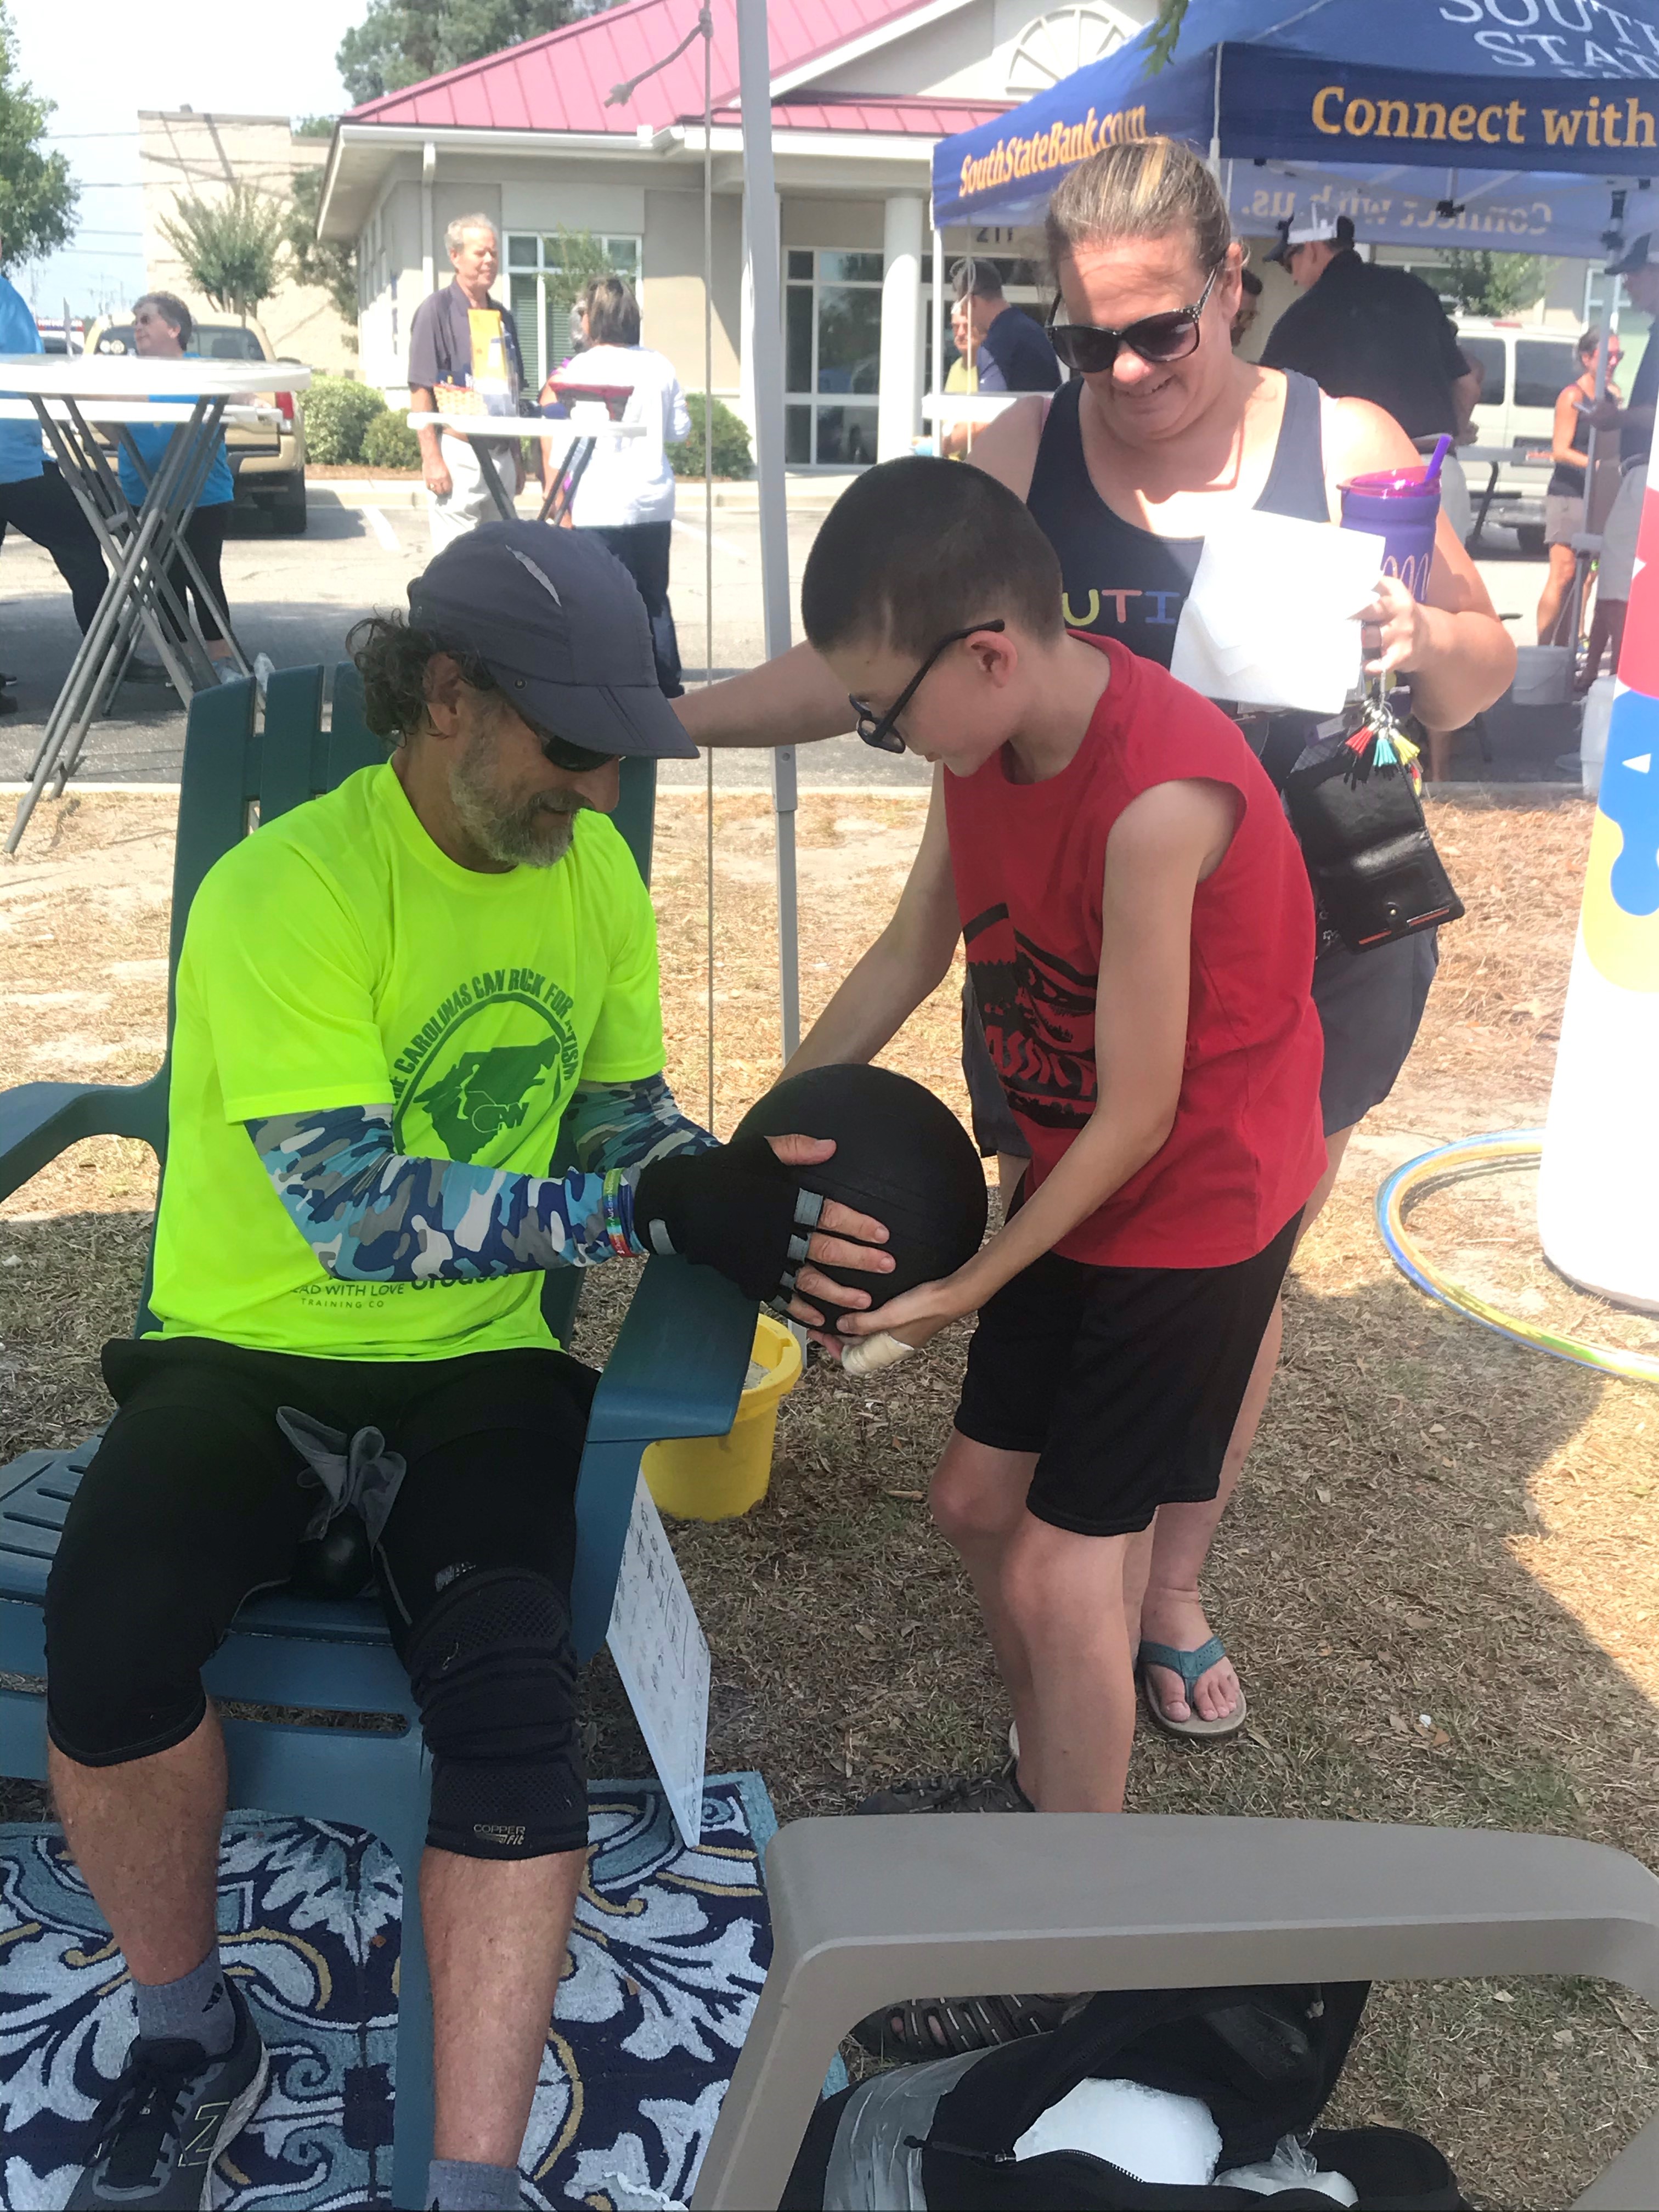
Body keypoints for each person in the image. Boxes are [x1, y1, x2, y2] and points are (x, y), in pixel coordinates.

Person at [43, 519, 891, 2212]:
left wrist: (727, 1192)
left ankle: (475, 2189)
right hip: (245, 1353)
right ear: (448, 697)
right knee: (109, 1646)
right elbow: (357, 1214)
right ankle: (184, 2025)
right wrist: (638, 1204)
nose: (597, 790)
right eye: (572, 749)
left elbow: (625, 1119)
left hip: (483, 1372)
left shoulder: (593, 880)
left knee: (514, 1708)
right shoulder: (285, 892)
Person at [673, 137, 1514, 1741]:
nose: (1125, 369)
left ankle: (1159, 1584)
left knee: (1223, 1262)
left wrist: (1421, 635)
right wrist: (667, 719)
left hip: (1311, 928)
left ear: (1232, 292)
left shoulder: (1349, 444)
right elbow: (869, 648)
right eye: (1088, 337)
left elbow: (1477, 669)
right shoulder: (1018, 470)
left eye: (1161, 331)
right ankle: (1079, 1574)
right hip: (1068, 914)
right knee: (1072, 1222)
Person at [790, 454, 1325, 2002]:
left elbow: (1146, 1117)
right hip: (1080, 1165)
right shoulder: (985, 751)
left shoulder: (1160, 799)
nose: (888, 745)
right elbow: (907, 949)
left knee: (1058, 1576)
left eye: (886, 715)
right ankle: (1049, 1788)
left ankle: (1065, 1942)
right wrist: (771, 1130)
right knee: (974, 1510)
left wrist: (962, 1289)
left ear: (989, 656)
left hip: (1201, 1198)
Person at [1260, 210, 1483, 762]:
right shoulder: (1413, 290)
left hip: (1354, 490)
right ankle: (1437, 768)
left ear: (1311, 249)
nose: (1292, 273)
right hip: (1433, 467)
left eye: (1291, 259)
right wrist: (1454, 430)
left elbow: (1268, 407)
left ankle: (1364, 773)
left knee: (1354, 642)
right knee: (1440, 629)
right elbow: (1466, 380)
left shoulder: (1302, 316)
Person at [543, 274, 690, 698]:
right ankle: (666, 687)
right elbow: (680, 429)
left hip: (598, 503)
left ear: (592, 320)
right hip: (651, 502)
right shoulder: (660, 365)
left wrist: (558, 497)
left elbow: (566, 445)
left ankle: (606, 685)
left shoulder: (580, 369)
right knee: (653, 598)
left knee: (602, 600)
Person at [0, 255, 109, 706]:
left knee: (81, 544)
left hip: (20, 454)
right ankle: (108, 661)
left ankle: (107, 657)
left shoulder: (8, 294)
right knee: (82, 542)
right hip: (15, 461)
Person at [121, 292, 237, 681]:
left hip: (202, 496)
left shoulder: (202, 371)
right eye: (136, 320)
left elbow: (245, 397)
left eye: (146, 320)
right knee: (164, 578)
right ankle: (183, 665)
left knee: (203, 575)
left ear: (174, 329)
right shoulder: (125, 375)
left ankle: (222, 663)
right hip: (145, 495)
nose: (137, 327)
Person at [409, 215, 528, 551]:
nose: (489, 260)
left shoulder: (503, 317)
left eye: (493, 253)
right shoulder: (436, 311)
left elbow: (512, 391)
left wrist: (517, 458)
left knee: (502, 559)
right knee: (455, 560)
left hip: (501, 452)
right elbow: (421, 389)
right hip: (460, 453)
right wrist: (431, 458)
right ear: (455, 256)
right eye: (480, 253)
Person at [1578, 232, 1659, 691]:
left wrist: (1617, 416)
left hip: (1649, 471)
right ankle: (1624, 699)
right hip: (1644, 469)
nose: (1627, 283)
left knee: (1619, 590)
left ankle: (1631, 698)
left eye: (1634, 272)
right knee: (1622, 589)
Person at [1537, 326, 1620, 647]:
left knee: (1585, 576)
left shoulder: (1611, 396)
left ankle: (1564, 649)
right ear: (1587, 358)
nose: (1614, 361)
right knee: (1563, 574)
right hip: (1568, 493)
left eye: (1618, 355)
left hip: (1599, 495)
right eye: (1607, 355)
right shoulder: (1573, 395)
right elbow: (1560, 449)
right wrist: (1597, 466)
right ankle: (1544, 648)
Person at [953, 256, 1063, 396]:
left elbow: (989, 411)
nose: (965, 316)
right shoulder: (1029, 329)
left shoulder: (996, 344)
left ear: (971, 301)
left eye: (962, 307)